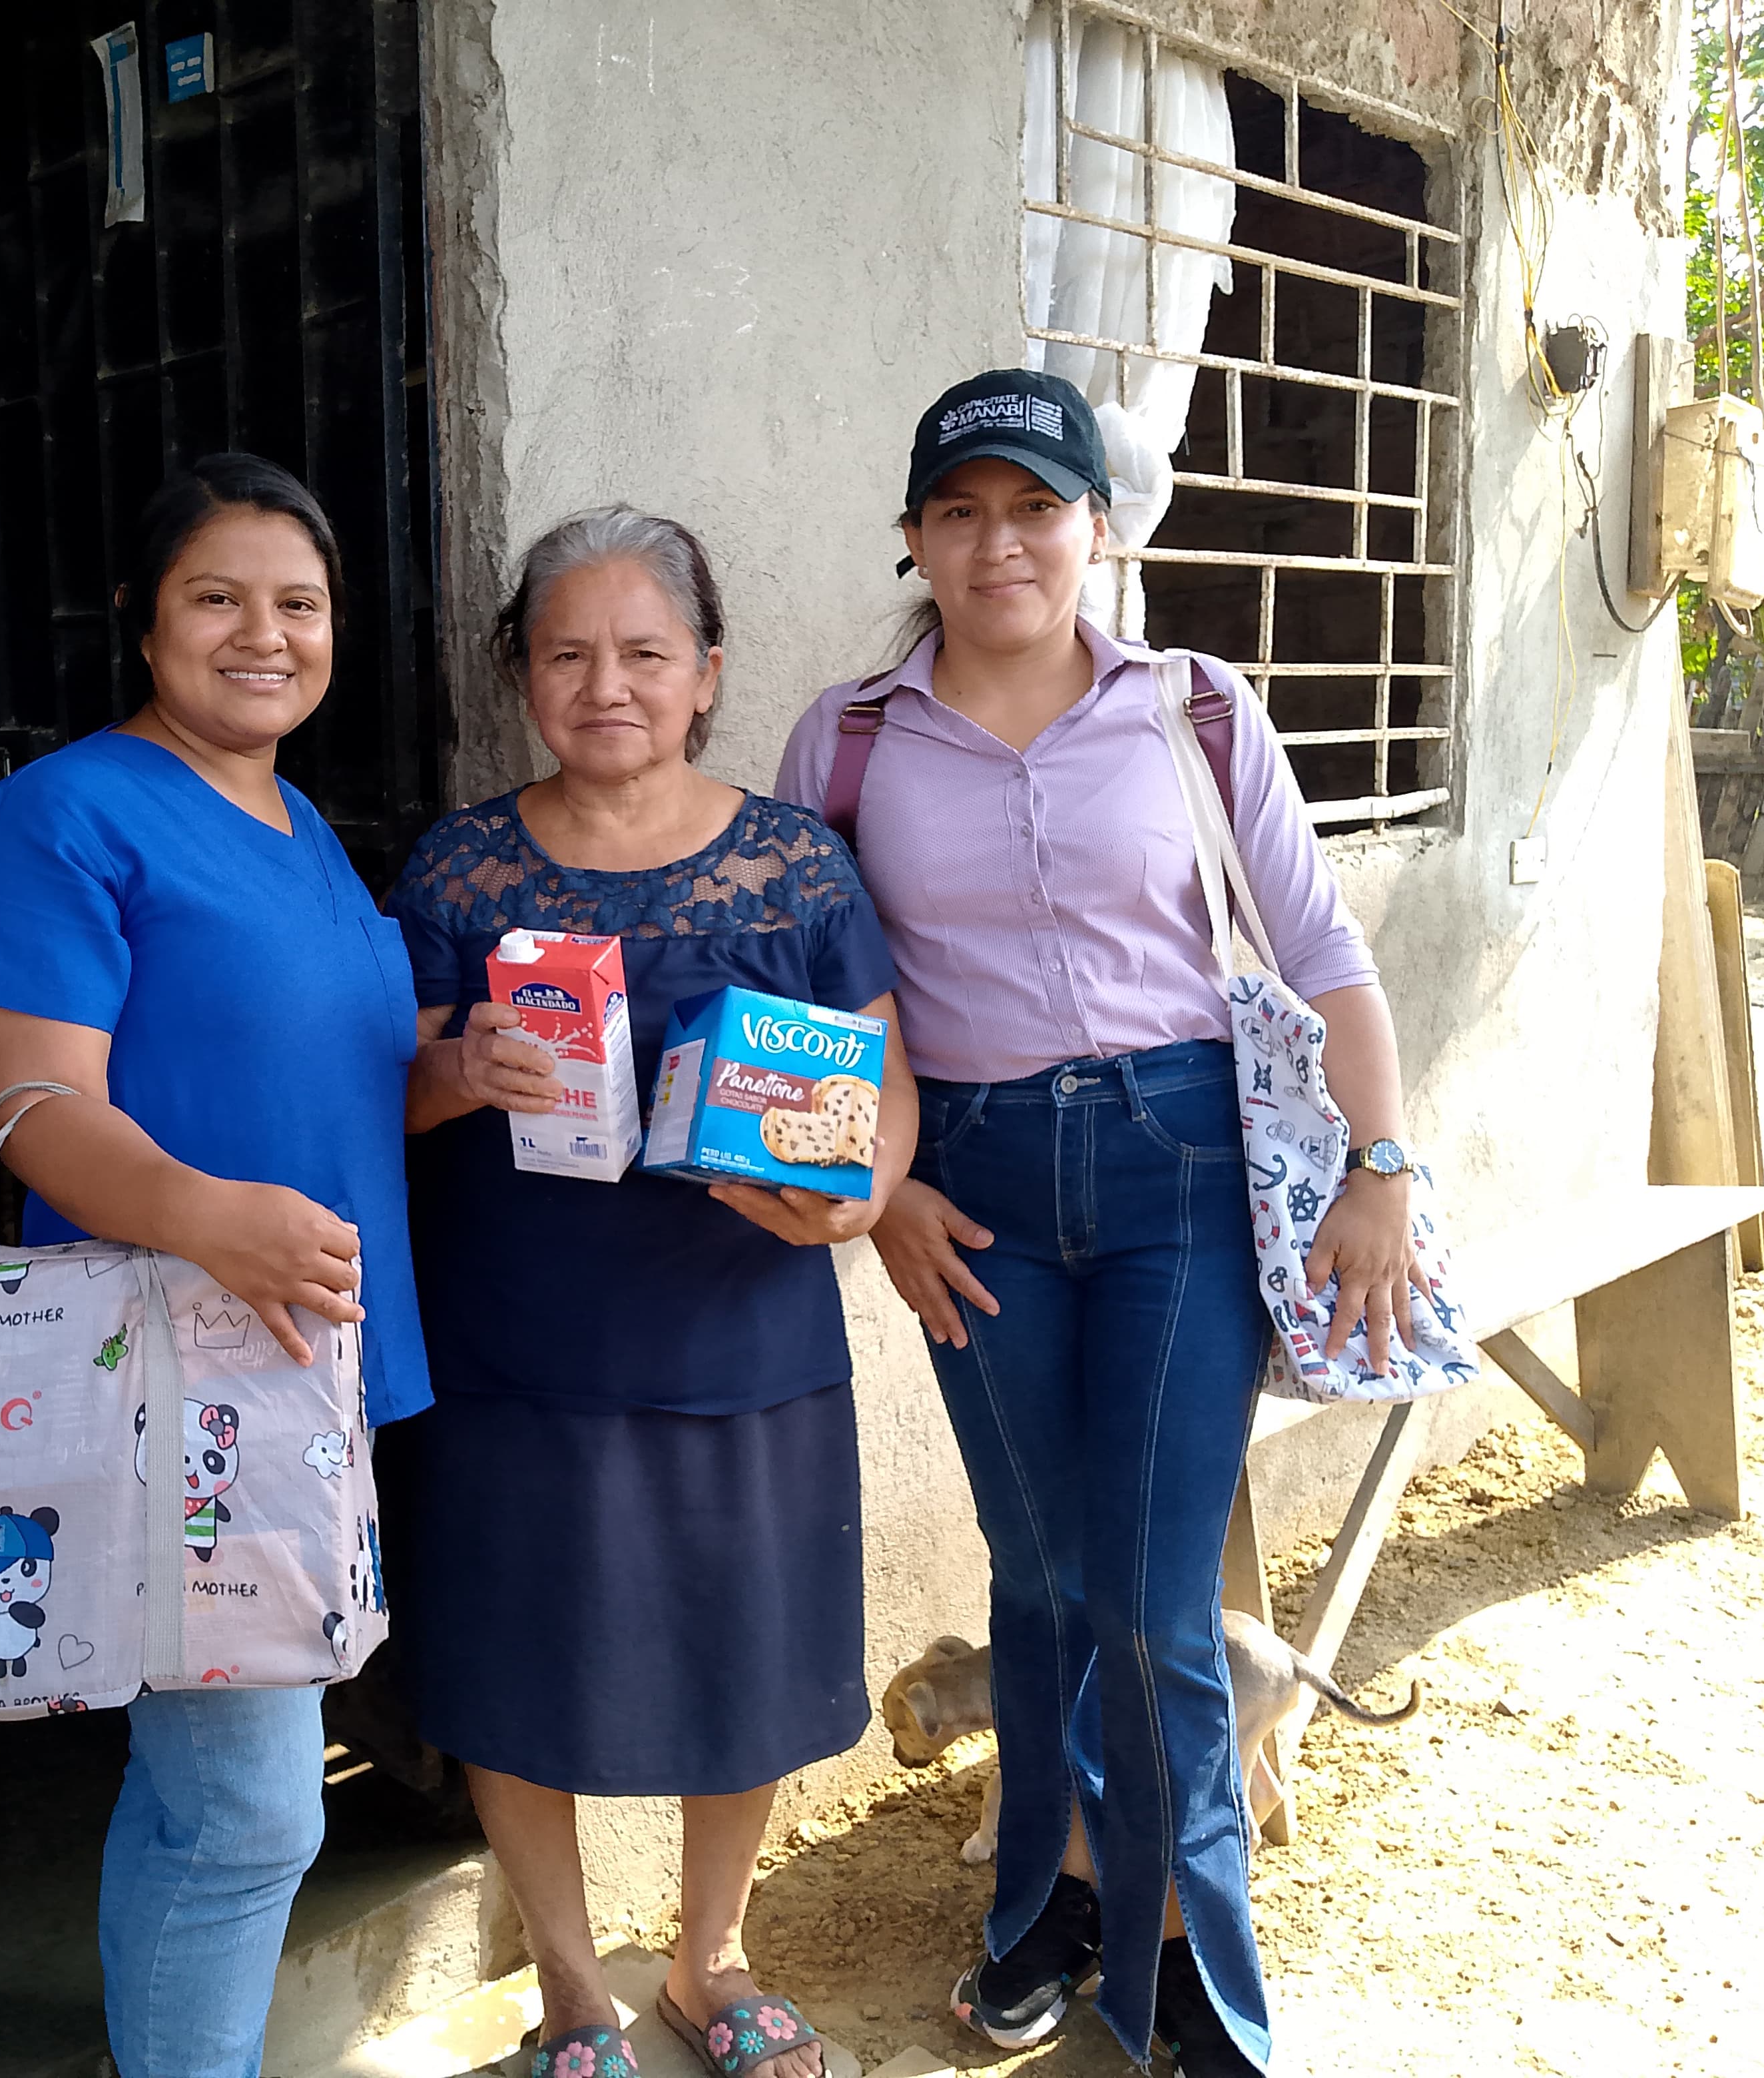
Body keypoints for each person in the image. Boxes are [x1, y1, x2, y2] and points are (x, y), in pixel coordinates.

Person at [774, 371, 1422, 2078]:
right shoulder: (847, 741)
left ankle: (1193, 1964)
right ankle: (1052, 1897)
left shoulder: (1193, 710)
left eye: (1036, 508)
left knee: (1146, 1596)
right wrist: (880, 1198)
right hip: (968, 1191)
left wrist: (1380, 1167)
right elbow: (819, 1014)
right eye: (961, 511)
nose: (1001, 544)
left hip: (1177, 1174)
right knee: (1041, 1579)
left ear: (1098, 528)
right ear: (914, 537)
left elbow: (1321, 948)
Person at [388, 508, 912, 2078]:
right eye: (567, 654)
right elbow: (378, 1095)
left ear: (706, 673)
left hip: (741, 1335)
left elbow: (883, 1077)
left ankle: (709, 1960)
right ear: (521, 676)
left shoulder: (794, 866)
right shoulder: (461, 866)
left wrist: (859, 1197)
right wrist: (457, 1068)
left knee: (742, 1652)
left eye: (643, 652)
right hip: (513, 1344)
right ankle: (568, 1987)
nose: (605, 685)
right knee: (514, 1659)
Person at [0, 453, 432, 2078]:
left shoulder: (302, 826)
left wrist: (469, 1067)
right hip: (177, 1378)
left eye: (300, 604)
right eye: (216, 597)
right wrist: (206, 1213)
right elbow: (34, 1109)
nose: (264, 634)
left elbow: (326, 1077)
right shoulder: (62, 817)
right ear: (145, 624)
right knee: (246, 1813)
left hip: (309, 1373)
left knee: (203, 1794)